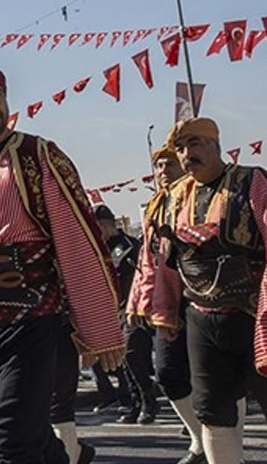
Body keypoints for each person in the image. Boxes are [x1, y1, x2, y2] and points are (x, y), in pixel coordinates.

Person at [0, 58, 125, 464]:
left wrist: (99, 326)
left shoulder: (36, 156)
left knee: (11, 444)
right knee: (18, 438)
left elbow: (78, 240)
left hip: (30, 320)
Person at [152, 117, 267, 464]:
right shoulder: (173, 198)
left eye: (196, 144)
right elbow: (166, 262)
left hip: (253, 313)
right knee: (213, 414)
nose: (188, 154)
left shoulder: (252, 181)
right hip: (201, 319)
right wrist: (165, 312)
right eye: (182, 147)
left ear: (216, 145)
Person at [127, 146, 206, 464]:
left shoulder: (202, 198)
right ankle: (200, 440)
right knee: (169, 373)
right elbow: (147, 262)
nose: (163, 170)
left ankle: (223, 445)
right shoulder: (155, 207)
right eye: (158, 165)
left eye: (169, 163)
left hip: (206, 299)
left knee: (225, 380)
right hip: (167, 305)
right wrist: (138, 302)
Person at [92, 205, 158, 425]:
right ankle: (135, 402)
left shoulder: (129, 246)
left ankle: (148, 399)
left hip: (133, 307)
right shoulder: (98, 248)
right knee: (123, 360)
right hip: (110, 311)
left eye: (98, 227)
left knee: (132, 354)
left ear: (106, 225)